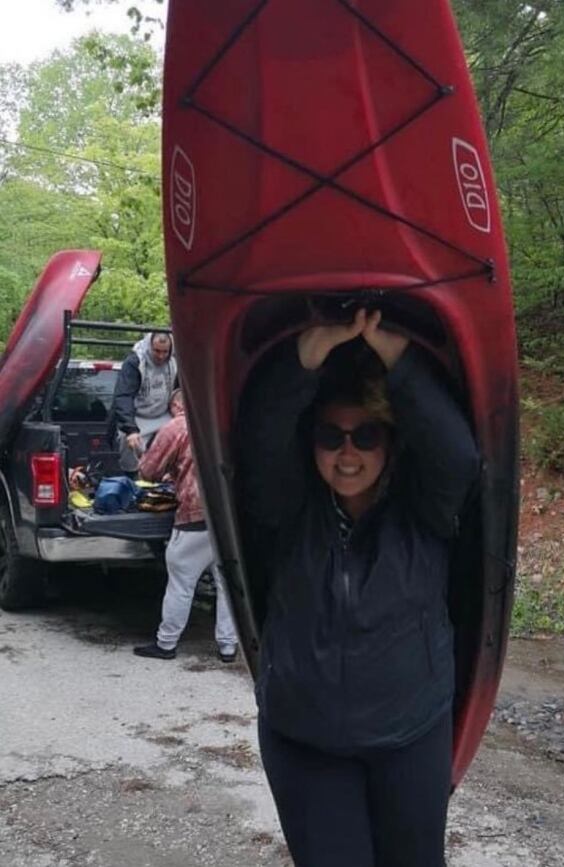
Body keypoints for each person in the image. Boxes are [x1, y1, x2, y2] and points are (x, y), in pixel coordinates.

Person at [239, 309, 479, 867]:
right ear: (313, 441)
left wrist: (396, 355)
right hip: (306, 738)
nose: (348, 454)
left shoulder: (424, 511)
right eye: (331, 437)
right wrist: (307, 352)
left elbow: (459, 457)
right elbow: (257, 440)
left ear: (390, 442)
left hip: (408, 732)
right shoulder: (289, 507)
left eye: (365, 436)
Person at [133, 389, 238, 663]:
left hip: (195, 517)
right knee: (228, 583)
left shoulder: (178, 425)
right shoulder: (229, 420)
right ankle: (228, 646)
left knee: (181, 581)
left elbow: (149, 470)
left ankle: (166, 644)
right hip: (232, 518)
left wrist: (138, 450)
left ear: (175, 404)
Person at [109, 331, 177, 473]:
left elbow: (181, 391)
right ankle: (132, 477)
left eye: (165, 352)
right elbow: (123, 396)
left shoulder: (175, 361)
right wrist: (130, 429)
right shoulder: (135, 362)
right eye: (157, 351)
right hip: (138, 416)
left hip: (163, 415)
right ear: (149, 346)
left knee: (181, 436)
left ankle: (168, 476)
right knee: (128, 441)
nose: (161, 356)